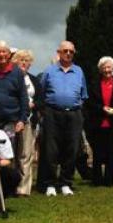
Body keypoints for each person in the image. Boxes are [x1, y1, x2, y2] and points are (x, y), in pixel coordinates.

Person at [37, 41, 88, 196]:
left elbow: (83, 94)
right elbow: (42, 91)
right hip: (53, 113)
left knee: (71, 149)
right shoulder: (49, 71)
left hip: (74, 113)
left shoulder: (79, 71)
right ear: (58, 52)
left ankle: (66, 182)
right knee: (51, 149)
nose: (68, 54)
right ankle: (50, 183)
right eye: (65, 51)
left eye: (71, 52)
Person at [83, 56, 113, 187]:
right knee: (97, 152)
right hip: (97, 123)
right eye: (104, 67)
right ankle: (96, 180)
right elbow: (89, 102)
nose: (107, 70)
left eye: (109, 67)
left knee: (111, 153)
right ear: (100, 69)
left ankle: (109, 180)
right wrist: (102, 108)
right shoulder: (94, 84)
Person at [12, 48, 40, 196]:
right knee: (11, 155)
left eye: (26, 61)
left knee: (25, 155)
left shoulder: (34, 80)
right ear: (15, 62)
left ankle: (23, 189)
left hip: (28, 121)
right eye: (20, 60)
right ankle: (9, 186)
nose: (23, 63)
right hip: (12, 119)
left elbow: (41, 99)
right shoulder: (10, 77)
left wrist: (33, 104)